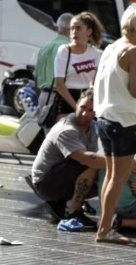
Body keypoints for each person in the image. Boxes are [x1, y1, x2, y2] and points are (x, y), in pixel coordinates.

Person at [94, 3, 136, 244]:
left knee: (111, 176)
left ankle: (104, 226)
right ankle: (105, 229)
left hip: (105, 118)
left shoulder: (111, 48)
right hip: (124, 121)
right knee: (119, 178)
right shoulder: (134, 51)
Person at [29, 91, 105, 226]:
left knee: (105, 175)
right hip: (44, 183)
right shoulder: (66, 128)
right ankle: (73, 212)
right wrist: (120, 163)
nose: (84, 113)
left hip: (63, 173)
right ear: (77, 104)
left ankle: (64, 203)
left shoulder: (93, 127)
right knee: (93, 164)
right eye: (82, 107)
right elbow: (86, 159)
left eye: (90, 110)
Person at [52, 11, 102, 124]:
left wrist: (88, 102)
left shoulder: (93, 51)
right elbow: (59, 84)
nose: (74, 32)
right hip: (67, 99)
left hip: (87, 100)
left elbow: (96, 79)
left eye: (78, 28)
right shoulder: (64, 51)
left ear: (89, 31)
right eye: (72, 28)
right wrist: (77, 107)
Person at [35, 13, 73, 99]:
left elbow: (36, 77)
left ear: (57, 28)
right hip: (60, 98)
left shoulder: (44, 47)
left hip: (43, 96)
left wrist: (40, 98)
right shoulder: (71, 49)